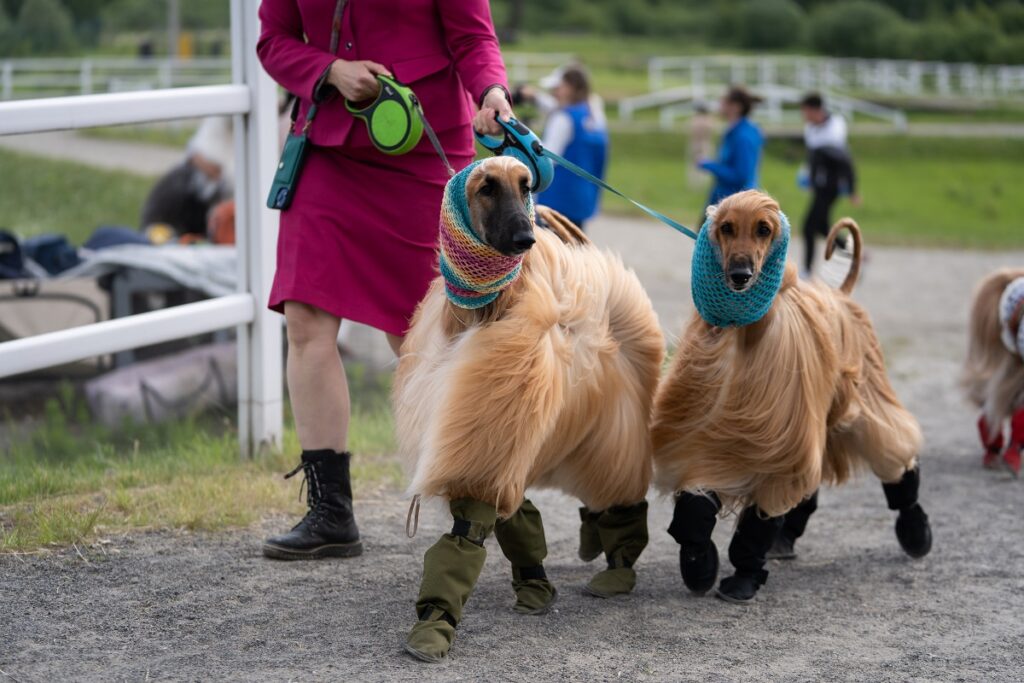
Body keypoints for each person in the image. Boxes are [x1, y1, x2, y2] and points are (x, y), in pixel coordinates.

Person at [256, 0, 513, 562]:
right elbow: (273, 39)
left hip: (420, 153)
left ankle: (465, 495)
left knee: (418, 331)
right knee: (305, 320)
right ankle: (330, 512)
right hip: (326, 151)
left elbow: (473, 39)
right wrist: (327, 70)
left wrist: (492, 92)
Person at [525, 64, 608, 230]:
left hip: (555, 201)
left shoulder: (563, 118)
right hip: (582, 199)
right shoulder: (593, 114)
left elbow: (545, 160)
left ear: (570, 88)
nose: (554, 92)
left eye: (558, 87)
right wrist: (534, 97)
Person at [799, 92, 860, 277]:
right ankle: (854, 256)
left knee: (808, 227)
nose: (803, 115)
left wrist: (852, 189)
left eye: (805, 110)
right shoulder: (811, 128)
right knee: (822, 228)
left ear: (814, 109)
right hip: (819, 185)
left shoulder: (835, 127)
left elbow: (845, 161)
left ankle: (807, 271)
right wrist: (808, 175)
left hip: (831, 186)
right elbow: (813, 157)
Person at [697, 85, 764, 210]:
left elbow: (741, 176)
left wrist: (709, 165)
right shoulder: (734, 131)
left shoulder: (744, 136)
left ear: (735, 107)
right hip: (723, 199)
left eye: (723, 101)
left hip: (735, 205)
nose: (719, 104)